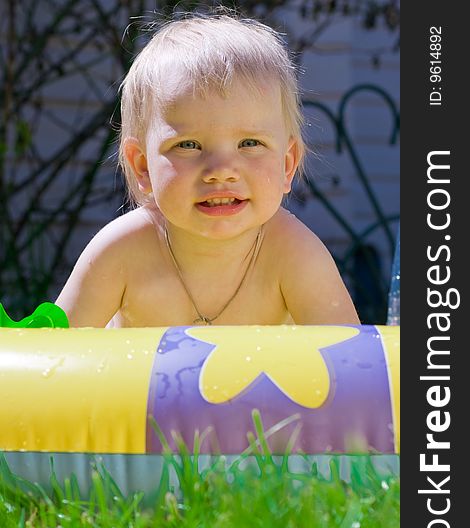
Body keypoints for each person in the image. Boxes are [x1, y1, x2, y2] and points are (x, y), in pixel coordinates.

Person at [56, 12, 360, 327]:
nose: (221, 171)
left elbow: (350, 363)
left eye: (249, 143)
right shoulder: (120, 253)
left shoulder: (295, 255)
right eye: (189, 146)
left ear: (286, 164)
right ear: (142, 166)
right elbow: (54, 360)